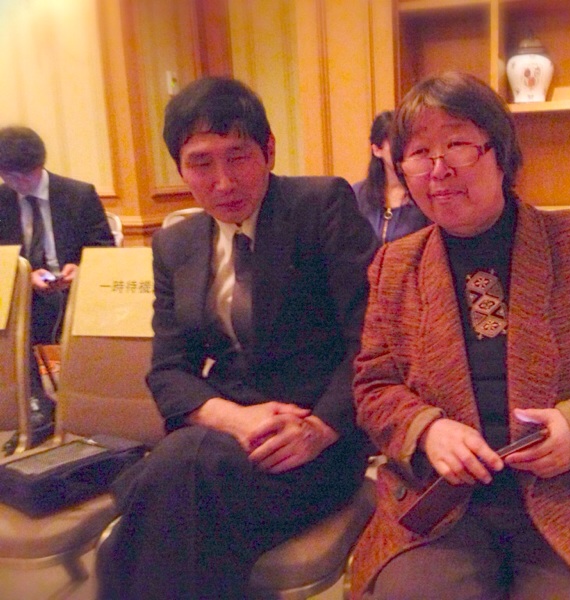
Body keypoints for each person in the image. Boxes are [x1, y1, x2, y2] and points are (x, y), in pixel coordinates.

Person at [350, 72, 570, 600]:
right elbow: (373, 385)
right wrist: (427, 430)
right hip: (447, 508)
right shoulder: (395, 265)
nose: (439, 168)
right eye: (419, 153)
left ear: (500, 154)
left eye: (458, 144)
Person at [95, 77, 378, 599]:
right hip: (223, 438)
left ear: (269, 150)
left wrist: (320, 427)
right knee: (184, 488)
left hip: (312, 443)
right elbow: (169, 369)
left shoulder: (319, 207)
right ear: (180, 169)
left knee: (151, 511)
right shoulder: (175, 244)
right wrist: (234, 419)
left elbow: (371, 339)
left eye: (238, 156)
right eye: (201, 163)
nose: (223, 182)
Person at [0, 126, 114, 441]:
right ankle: (34, 401)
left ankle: (96, 401)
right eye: (9, 177)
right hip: (26, 296)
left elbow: (105, 249)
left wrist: (82, 268)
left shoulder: (78, 195)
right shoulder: (1, 201)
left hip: (76, 292)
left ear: (40, 165)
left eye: (25, 176)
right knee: (8, 320)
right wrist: (25, 275)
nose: (18, 184)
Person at [352, 110, 429, 243]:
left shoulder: (423, 191)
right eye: (395, 144)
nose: (402, 151)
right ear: (377, 150)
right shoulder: (358, 194)